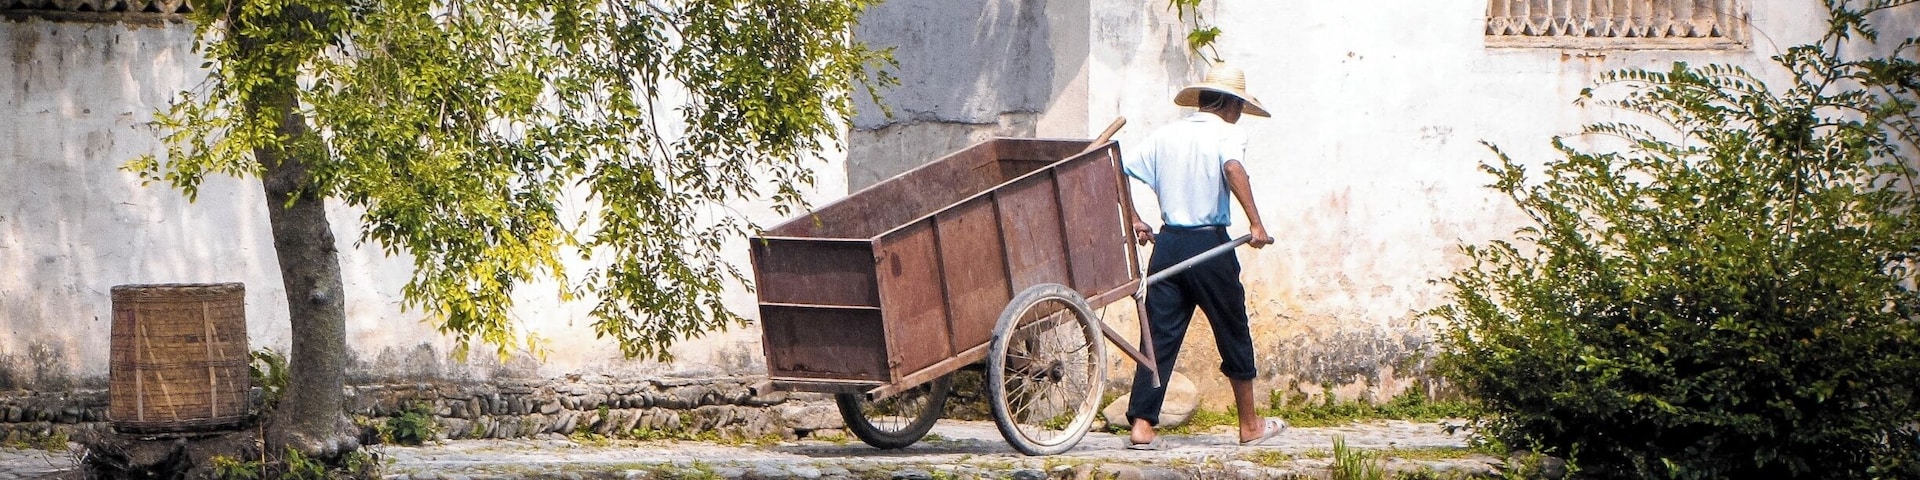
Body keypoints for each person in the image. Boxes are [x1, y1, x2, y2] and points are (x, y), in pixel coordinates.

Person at [1121, 63, 1285, 450]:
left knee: (1157, 337)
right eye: (1239, 106)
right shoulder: (1228, 133)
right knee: (1233, 329)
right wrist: (1256, 224)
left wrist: (1135, 219)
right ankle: (1249, 424)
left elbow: (1120, 169)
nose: (1239, 114)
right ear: (1230, 104)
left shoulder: (1166, 134)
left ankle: (1142, 425)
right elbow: (1232, 168)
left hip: (1169, 246)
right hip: (1210, 246)